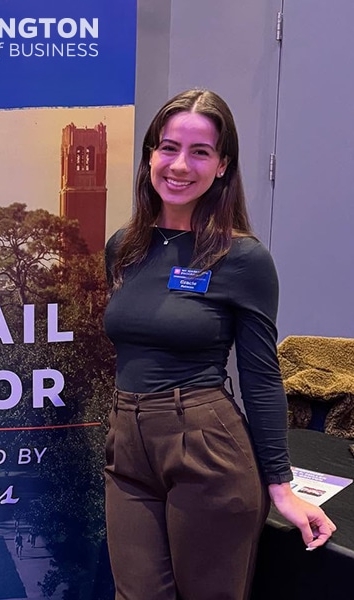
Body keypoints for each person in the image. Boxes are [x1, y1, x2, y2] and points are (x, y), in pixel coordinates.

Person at [103, 89, 337, 600]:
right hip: (127, 448)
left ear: (223, 165)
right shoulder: (123, 247)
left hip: (205, 444)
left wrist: (281, 484)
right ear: (149, 156)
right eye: (167, 148)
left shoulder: (243, 258)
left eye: (200, 152)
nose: (179, 165)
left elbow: (260, 375)